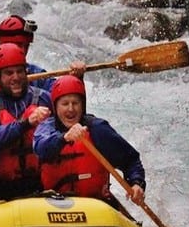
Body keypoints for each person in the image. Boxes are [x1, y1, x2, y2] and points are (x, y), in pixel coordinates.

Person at [33, 75, 146, 211]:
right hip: (53, 203)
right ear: (55, 107)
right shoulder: (46, 128)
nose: (70, 109)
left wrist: (136, 183)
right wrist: (64, 138)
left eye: (75, 103)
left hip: (94, 204)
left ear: (83, 105)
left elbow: (130, 160)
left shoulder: (98, 129)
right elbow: (40, 148)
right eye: (65, 103)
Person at [0, 14, 86, 116]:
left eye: (26, 46)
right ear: (2, 44)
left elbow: (64, 99)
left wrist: (76, 79)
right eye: (18, 45)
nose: (23, 51)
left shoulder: (34, 73)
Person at [0, 43, 53, 201]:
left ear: (26, 72)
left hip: (40, 180)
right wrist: (26, 123)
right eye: (9, 73)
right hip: (4, 184)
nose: (16, 78)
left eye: (19, 72)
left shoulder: (45, 98)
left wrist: (78, 78)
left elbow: (72, 117)